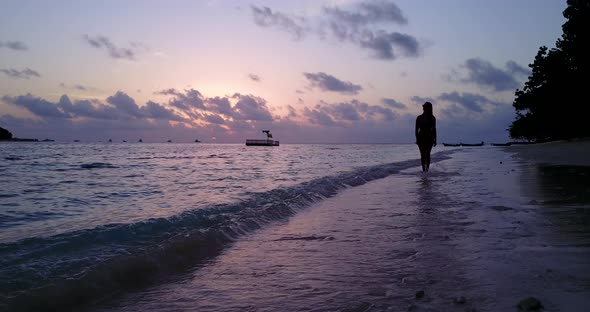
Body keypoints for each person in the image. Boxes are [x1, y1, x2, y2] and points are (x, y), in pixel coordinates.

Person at [415, 101, 437, 172]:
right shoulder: (419, 117)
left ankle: (427, 170)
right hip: (421, 138)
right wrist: (417, 139)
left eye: (425, 107)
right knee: (422, 155)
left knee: (427, 154)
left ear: (429, 108)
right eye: (423, 107)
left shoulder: (433, 118)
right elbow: (416, 129)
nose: (423, 108)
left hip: (430, 138)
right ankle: (424, 170)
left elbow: (434, 129)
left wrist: (435, 139)